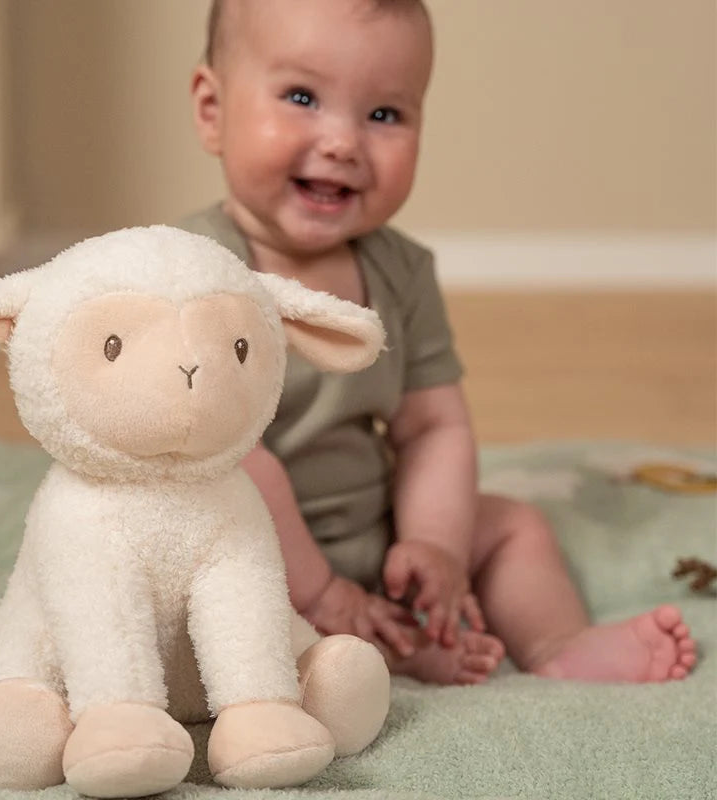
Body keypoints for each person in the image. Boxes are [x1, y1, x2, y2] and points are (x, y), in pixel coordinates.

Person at [180, 0, 696, 685]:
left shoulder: (402, 272)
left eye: (383, 114)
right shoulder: (193, 271)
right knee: (212, 574)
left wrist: (434, 545)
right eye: (302, 97)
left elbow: (432, 427)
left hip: (369, 529)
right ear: (213, 110)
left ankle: (556, 643)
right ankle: (353, 643)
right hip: (246, 546)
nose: (343, 142)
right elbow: (222, 455)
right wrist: (321, 591)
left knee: (513, 526)